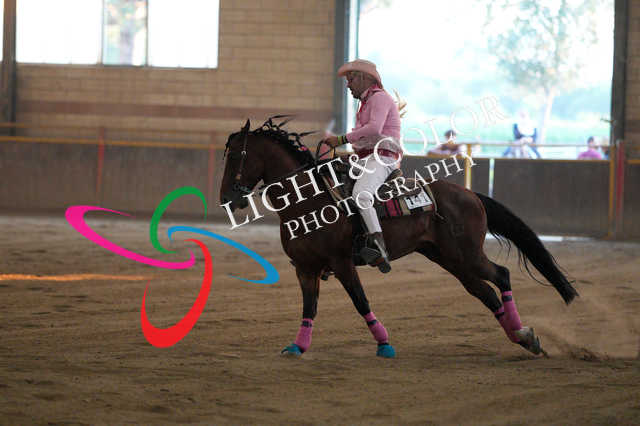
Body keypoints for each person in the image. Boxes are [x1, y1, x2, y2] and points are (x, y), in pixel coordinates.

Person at [322, 59, 402, 273]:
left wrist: (341, 139)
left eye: (351, 79)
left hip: (382, 159)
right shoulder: (367, 102)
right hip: (367, 159)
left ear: (365, 78)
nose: (348, 85)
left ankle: (378, 245)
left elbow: (374, 129)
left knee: (361, 196)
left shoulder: (379, 98)